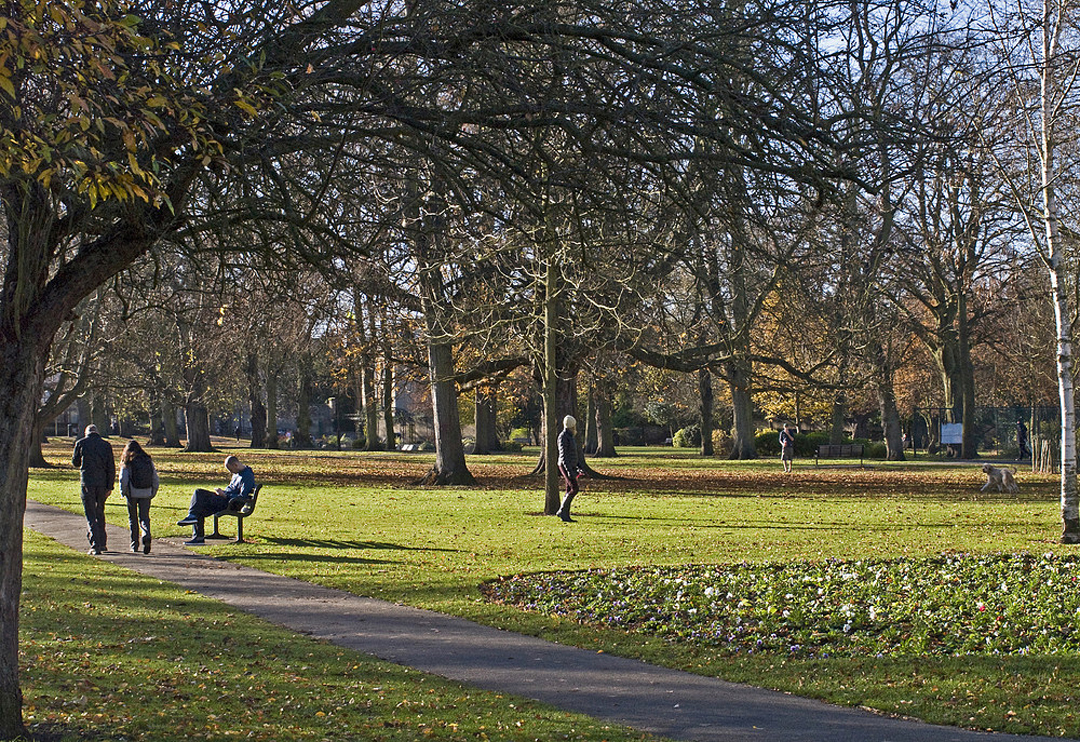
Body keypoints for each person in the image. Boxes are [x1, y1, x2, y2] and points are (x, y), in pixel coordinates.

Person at [178, 455, 256, 545]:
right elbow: (231, 489)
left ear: (235, 465)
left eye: (231, 470)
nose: (231, 472)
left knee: (199, 496)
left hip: (232, 504)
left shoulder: (247, 476)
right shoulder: (237, 473)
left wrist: (225, 495)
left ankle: (194, 523)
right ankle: (196, 532)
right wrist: (222, 492)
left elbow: (243, 497)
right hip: (226, 499)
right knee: (199, 499)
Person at [71, 424, 115, 554]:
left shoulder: (81, 443)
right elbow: (111, 467)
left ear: (86, 433)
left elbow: (75, 462)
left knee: (90, 513)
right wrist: (110, 486)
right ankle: (102, 542)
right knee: (100, 512)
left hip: (87, 483)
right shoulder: (106, 445)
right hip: (102, 483)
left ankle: (95, 543)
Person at [119, 439, 159, 554]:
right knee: (145, 517)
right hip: (146, 492)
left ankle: (134, 544)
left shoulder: (128, 460)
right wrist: (153, 491)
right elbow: (155, 477)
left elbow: (123, 478)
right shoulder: (147, 460)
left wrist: (123, 491)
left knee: (133, 519)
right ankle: (146, 534)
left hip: (132, 493)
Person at [555, 415, 584, 522]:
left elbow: (573, 454)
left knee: (569, 489)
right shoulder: (563, 437)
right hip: (565, 465)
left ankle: (564, 513)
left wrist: (579, 466)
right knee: (574, 488)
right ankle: (562, 511)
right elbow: (564, 456)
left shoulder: (570, 436)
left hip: (570, 465)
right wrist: (569, 471)